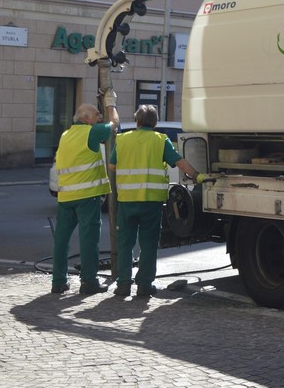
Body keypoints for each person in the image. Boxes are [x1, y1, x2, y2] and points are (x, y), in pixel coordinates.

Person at [109, 104, 200, 299]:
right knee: (148, 244)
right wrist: (196, 175)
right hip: (151, 202)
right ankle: (144, 285)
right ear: (155, 122)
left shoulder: (122, 139)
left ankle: (123, 284)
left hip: (127, 200)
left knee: (125, 243)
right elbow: (179, 162)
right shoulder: (160, 140)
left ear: (137, 121)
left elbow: (112, 165)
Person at [51, 91, 119, 295]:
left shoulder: (66, 134)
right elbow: (115, 123)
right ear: (86, 119)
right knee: (89, 240)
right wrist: (110, 103)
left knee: (61, 240)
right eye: (97, 114)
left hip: (65, 197)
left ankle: (58, 281)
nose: (101, 117)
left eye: (100, 114)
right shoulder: (92, 132)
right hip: (87, 196)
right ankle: (89, 281)